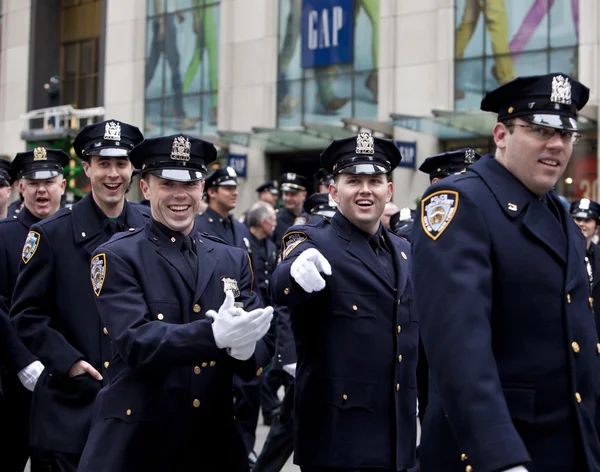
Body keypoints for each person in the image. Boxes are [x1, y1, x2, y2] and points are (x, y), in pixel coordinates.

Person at [412, 73, 600, 472]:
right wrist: (498, 455)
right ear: (501, 134)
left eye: (566, 134)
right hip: (497, 450)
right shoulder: (461, 202)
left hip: (566, 444)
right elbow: (460, 346)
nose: (556, 145)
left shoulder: (558, 212)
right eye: (539, 130)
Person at [77, 134, 274, 472]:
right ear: (147, 189)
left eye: (191, 183)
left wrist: (246, 350)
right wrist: (212, 337)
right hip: (141, 440)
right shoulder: (117, 255)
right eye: (167, 183)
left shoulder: (232, 257)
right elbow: (134, 340)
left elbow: (263, 335)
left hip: (213, 440)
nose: (180, 195)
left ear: (202, 190)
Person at [272, 132, 418, 471]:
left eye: (375, 181)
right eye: (354, 181)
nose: (366, 190)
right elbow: (283, 280)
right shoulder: (314, 240)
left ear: (389, 191)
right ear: (334, 192)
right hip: (339, 445)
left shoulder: (405, 251)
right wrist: (294, 273)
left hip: (399, 444)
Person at [10, 120, 147, 471]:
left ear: (133, 168)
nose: (113, 174)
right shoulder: (51, 235)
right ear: (86, 168)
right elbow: (26, 315)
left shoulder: (150, 228)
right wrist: (68, 362)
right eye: (103, 163)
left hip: (137, 410)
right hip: (71, 412)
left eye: (121, 163)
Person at [253, 192, 336, 472]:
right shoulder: (304, 241)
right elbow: (284, 304)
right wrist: (288, 354)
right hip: (305, 356)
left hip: (337, 359)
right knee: (287, 426)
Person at [0, 148, 69, 472]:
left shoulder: (76, 231)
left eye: (49, 181)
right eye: (33, 182)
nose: (42, 190)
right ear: (20, 187)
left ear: (63, 185)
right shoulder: (5, 235)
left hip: (68, 375)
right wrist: (23, 362)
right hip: (18, 380)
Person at [195, 166, 251, 249]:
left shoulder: (241, 228)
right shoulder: (197, 226)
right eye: (228, 188)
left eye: (235, 188)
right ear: (212, 192)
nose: (235, 193)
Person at [570, 198, 600, 337]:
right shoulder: (563, 252)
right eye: (577, 219)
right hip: (573, 330)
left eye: (587, 220)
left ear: (597, 227)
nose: (581, 224)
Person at [272, 172, 309, 250]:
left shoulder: (311, 219)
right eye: (286, 194)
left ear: (304, 195)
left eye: (293, 194)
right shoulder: (275, 219)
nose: (288, 198)